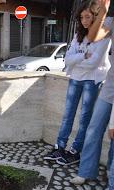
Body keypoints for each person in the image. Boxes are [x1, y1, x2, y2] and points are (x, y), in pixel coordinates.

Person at [43, 0, 111, 166]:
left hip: (92, 80)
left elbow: (94, 63)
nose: (84, 21)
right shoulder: (77, 36)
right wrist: (82, 56)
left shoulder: (103, 36)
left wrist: (77, 60)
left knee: (84, 118)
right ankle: (60, 147)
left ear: (95, 16)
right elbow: (68, 59)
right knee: (68, 115)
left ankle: (75, 151)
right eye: (81, 17)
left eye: (88, 17)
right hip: (75, 78)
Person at [70, 0, 114, 190]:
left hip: (102, 80)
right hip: (110, 84)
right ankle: (87, 171)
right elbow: (93, 36)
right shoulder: (110, 20)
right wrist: (103, 10)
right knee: (93, 127)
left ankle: (112, 184)